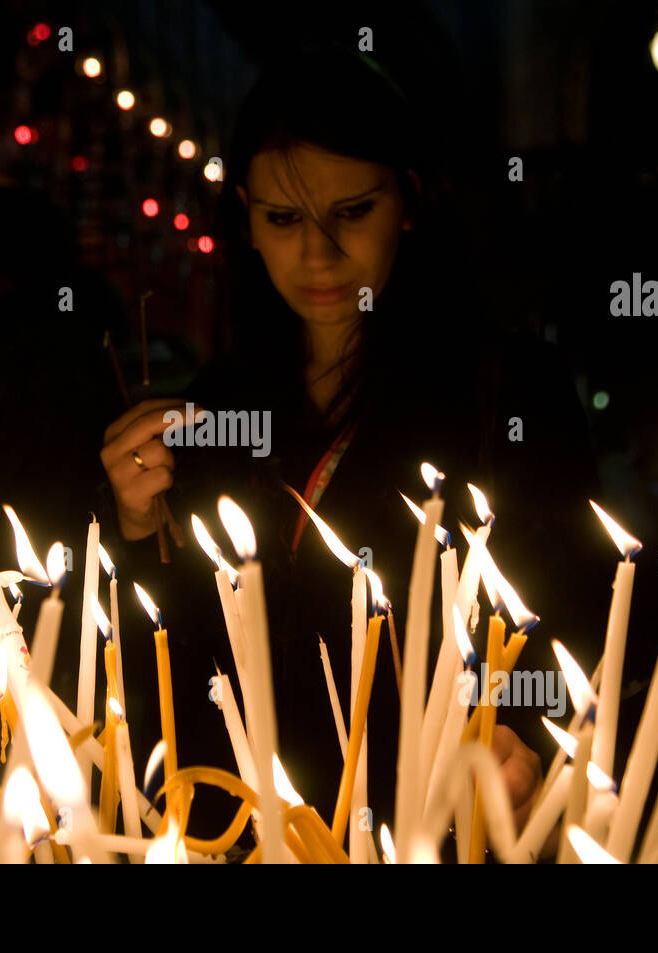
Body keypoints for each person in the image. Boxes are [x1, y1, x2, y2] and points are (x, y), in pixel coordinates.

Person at [96, 45, 609, 859]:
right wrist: (136, 522)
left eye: (352, 212)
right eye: (284, 219)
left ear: (407, 201)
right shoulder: (213, 406)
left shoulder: (507, 389)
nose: (318, 256)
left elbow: (578, 615)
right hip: (242, 830)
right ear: (245, 218)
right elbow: (179, 649)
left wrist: (529, 740)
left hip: (435, 826)